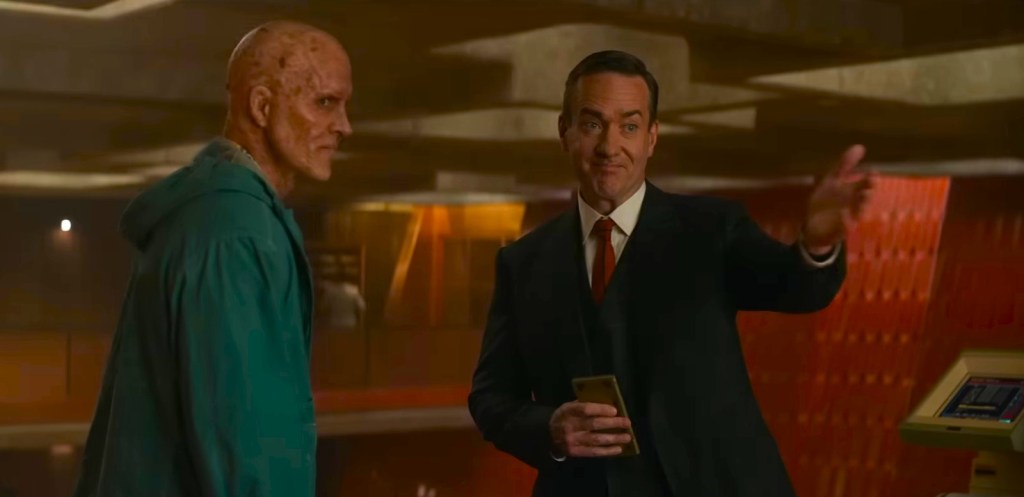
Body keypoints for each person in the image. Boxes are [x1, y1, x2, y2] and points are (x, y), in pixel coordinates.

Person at [468, 50, 874, 497]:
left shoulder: (712, 230)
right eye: (592, 124)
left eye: (629, 126)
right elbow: (490, 398)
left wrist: (817, 242)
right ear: (564, 131)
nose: (609, 147)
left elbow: (797, 287)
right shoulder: (522, 263)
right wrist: (548, 427)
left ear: (652, 138)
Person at [73, 21, 352, 497]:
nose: (344, 125)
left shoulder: (221, 218)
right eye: (325, 102)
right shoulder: (234, 234)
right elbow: (243, 447)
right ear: (262, 106)